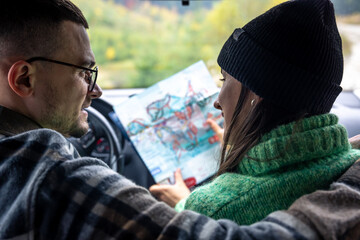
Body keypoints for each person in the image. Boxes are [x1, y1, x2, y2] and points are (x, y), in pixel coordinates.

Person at [0, 0, 360, 239]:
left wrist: (190, 201)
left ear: (256, 97)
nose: (97, 92)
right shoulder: (53, 180)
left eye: (225, 82)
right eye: (83, 72)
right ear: (23, 79)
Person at [149, 0, 360, 225]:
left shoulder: (214, 208)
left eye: (224, 79)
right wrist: (244, 145)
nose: (217, 102)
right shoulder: (351, 163)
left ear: (256, 92)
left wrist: (183, 204)